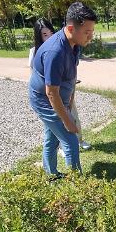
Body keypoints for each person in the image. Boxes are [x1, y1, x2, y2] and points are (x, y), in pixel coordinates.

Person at [29, 2, 97, 177]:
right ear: (70, 28)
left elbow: (71, 76)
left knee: (52, 139)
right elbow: (51, 92)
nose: (90, 37)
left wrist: (70, 101)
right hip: (45, 100)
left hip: (60, 98)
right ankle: (76, 185)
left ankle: (51, 175)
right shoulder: (55, 52)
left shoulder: (74, 44)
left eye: (92, 32)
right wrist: (68, 120)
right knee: (71, 141)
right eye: (87, 32)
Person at [29, 18, 91, 152]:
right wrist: (67, 122)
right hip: (51, 99)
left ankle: (51, 171)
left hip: (64, 95)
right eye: (45, 34)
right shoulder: (52, 52)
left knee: (54, 136)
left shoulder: (71, 46)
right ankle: (68, 155)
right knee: (69, 137)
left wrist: (72, 95)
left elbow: (73, 72)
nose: (49, 36)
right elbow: (50, 91)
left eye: (51, 33)